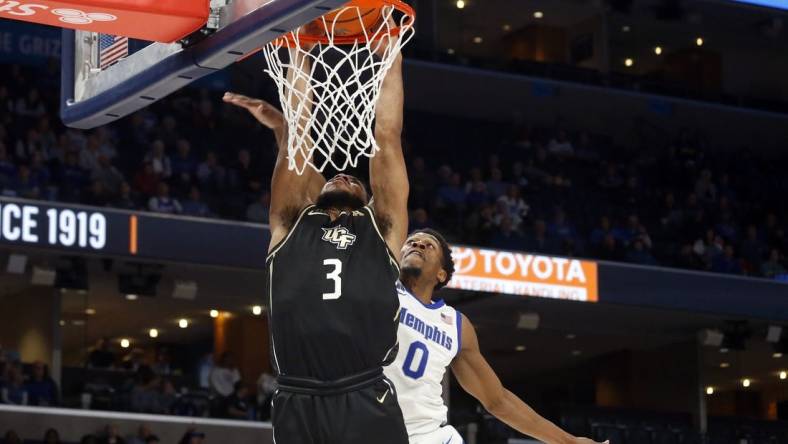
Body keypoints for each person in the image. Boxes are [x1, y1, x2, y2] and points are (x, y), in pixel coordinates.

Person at [222, 38, 409, 444]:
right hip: (296, 393)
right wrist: (300, 51)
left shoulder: (382, 227)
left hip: (363, 390)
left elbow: (387, 136)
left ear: (367, 199)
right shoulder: (289, 223)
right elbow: (298, 138)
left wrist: (391, 56)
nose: (343, 174)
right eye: (336, 174)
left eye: (354, 179)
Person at [384, 229, 608, 444]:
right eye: (411, 242)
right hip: (371, 425)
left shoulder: (456, 325)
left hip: (429, 436)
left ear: (441, 274)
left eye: (428, 245)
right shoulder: (379, 288)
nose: (417, 244)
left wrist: (567, 441)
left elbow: (497, 399)